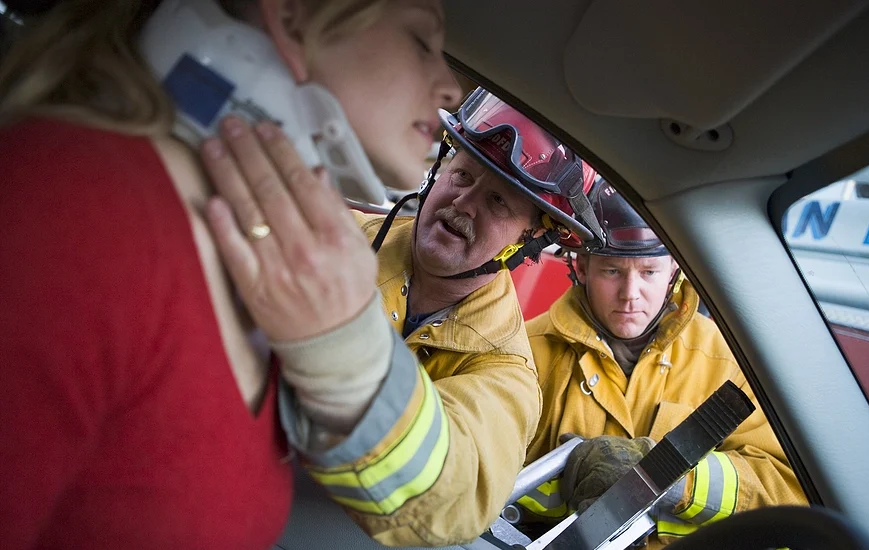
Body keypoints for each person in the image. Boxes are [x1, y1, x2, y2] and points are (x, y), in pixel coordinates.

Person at [0, 0, 462, 548]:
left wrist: (346, 347)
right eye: (420, 41)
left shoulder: (281, 271)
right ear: (291, 16)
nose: (451, 87)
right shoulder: (69, 212)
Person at [200, 87, 606, 545]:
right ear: (438, 171)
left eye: (498, 202)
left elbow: (451, 490)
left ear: (528, 242)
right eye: (462, 174)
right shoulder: (326, 234)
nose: (464, 202)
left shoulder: (506, 374)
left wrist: (335, 341)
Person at [520, 180, 807, 548]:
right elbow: (489, 482)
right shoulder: (529, 352)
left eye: (649, 272)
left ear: (674, 270)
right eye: (612, 270)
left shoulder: (728, 361)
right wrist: (574, 476)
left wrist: (674, 482)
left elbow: (787, 487)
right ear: (582, 266)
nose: (630, 293)